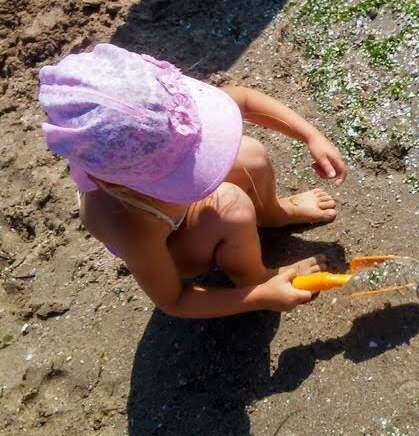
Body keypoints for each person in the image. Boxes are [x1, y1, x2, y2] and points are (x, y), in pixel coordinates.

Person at [38, 43, 347, 318]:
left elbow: (247, 101)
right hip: (172, 245)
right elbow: (174, 300)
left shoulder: (162, 110)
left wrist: (311, 136)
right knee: (231, 206)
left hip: (166, 207)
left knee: (250, 155)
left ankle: (273, 214)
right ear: (119, 185)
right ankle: (257, 278)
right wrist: (259, 299)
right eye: (178, 168)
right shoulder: (127, 221)